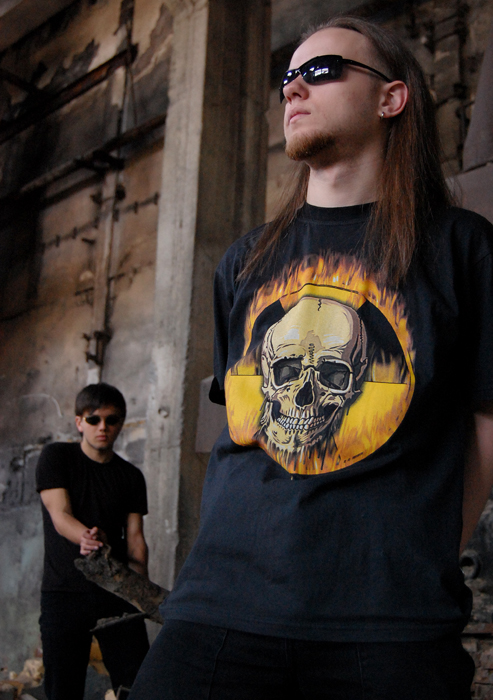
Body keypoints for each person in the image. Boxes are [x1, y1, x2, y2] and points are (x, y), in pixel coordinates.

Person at [129, 15, 493, 700]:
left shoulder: (461, 248)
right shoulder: (244, 261)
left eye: (319, 71)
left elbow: (486, 422)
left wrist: (430, 550)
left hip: (389, 621)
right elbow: (244, 425)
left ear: (391, 97)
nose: (293, 88)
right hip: (219, 606)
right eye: (287, 77)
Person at [36, 382, 150, 700]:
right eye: (94, 419)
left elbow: (136, 540)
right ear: (79, 422)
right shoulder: (56, 457)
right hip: (65, 593)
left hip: (117, 593)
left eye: (111, 420)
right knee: (63, 689)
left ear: (120, 423)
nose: (103, 427)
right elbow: (59, 514)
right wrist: (85, 538)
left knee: (136, 685)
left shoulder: (131, 476)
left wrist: (142, 595)